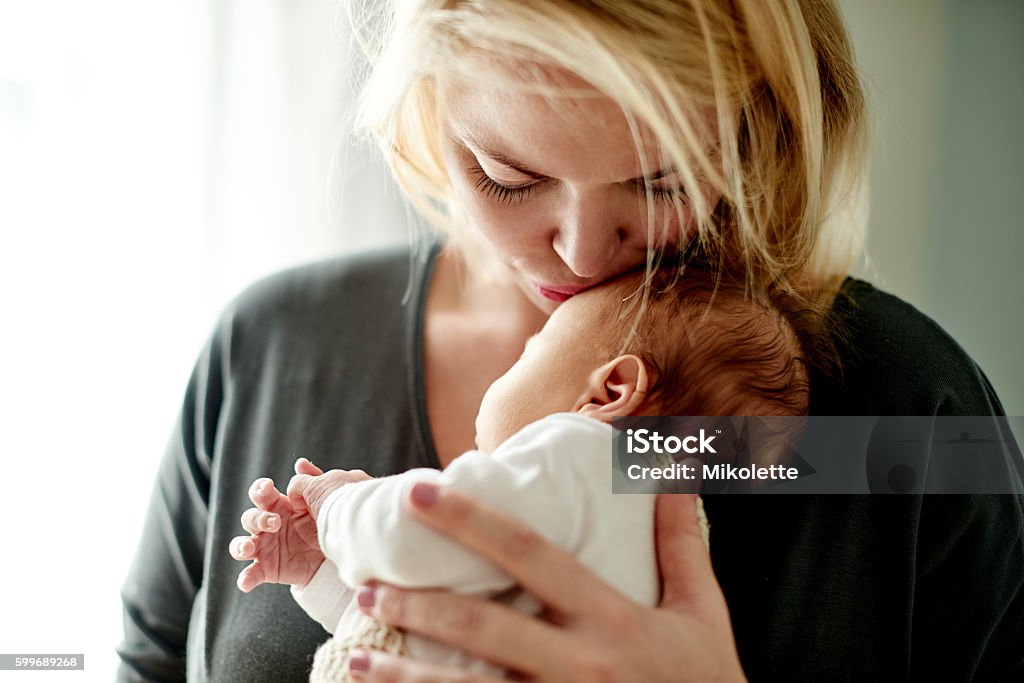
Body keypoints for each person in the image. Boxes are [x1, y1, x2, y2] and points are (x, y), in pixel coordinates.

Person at [117, 1, 1024, 681]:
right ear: (429, 114)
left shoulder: (909, 419)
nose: (582, 254)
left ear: (757, 132)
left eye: (661, 182)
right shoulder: (269, 344)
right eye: (509, 177)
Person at [227, 266, 812, 681]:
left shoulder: (581, 451)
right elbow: (410, 622)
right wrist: (320, 577)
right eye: (511, 178)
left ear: (610, 390)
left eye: (534, 349)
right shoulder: (652, 525)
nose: (579, 249)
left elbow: (411, 535)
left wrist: (336, 505)